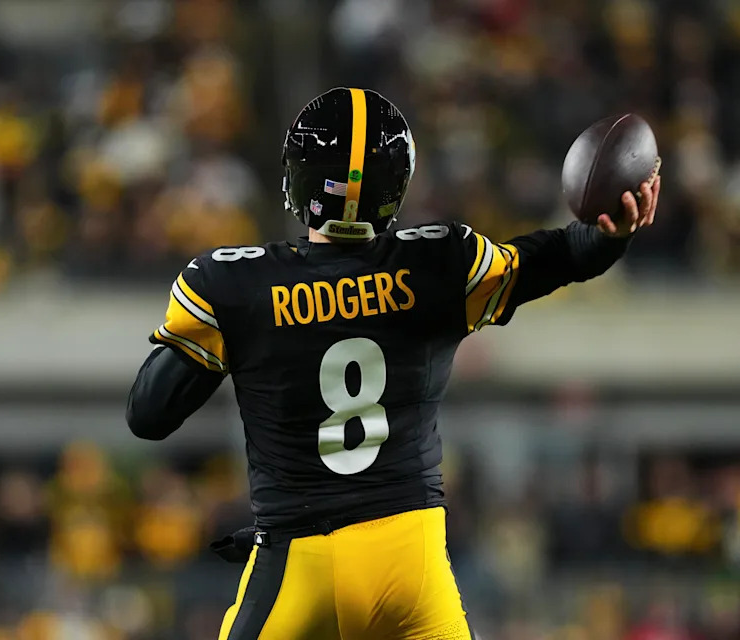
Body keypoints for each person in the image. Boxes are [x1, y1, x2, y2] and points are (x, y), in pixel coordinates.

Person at [126, 88, 660, 640]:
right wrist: (611, 233)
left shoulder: (233, 282)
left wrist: (230, 334)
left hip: (296, 564)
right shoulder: (439, 261)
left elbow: (149, 415)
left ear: (298, 178)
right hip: (411, 566)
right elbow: (559, 255)